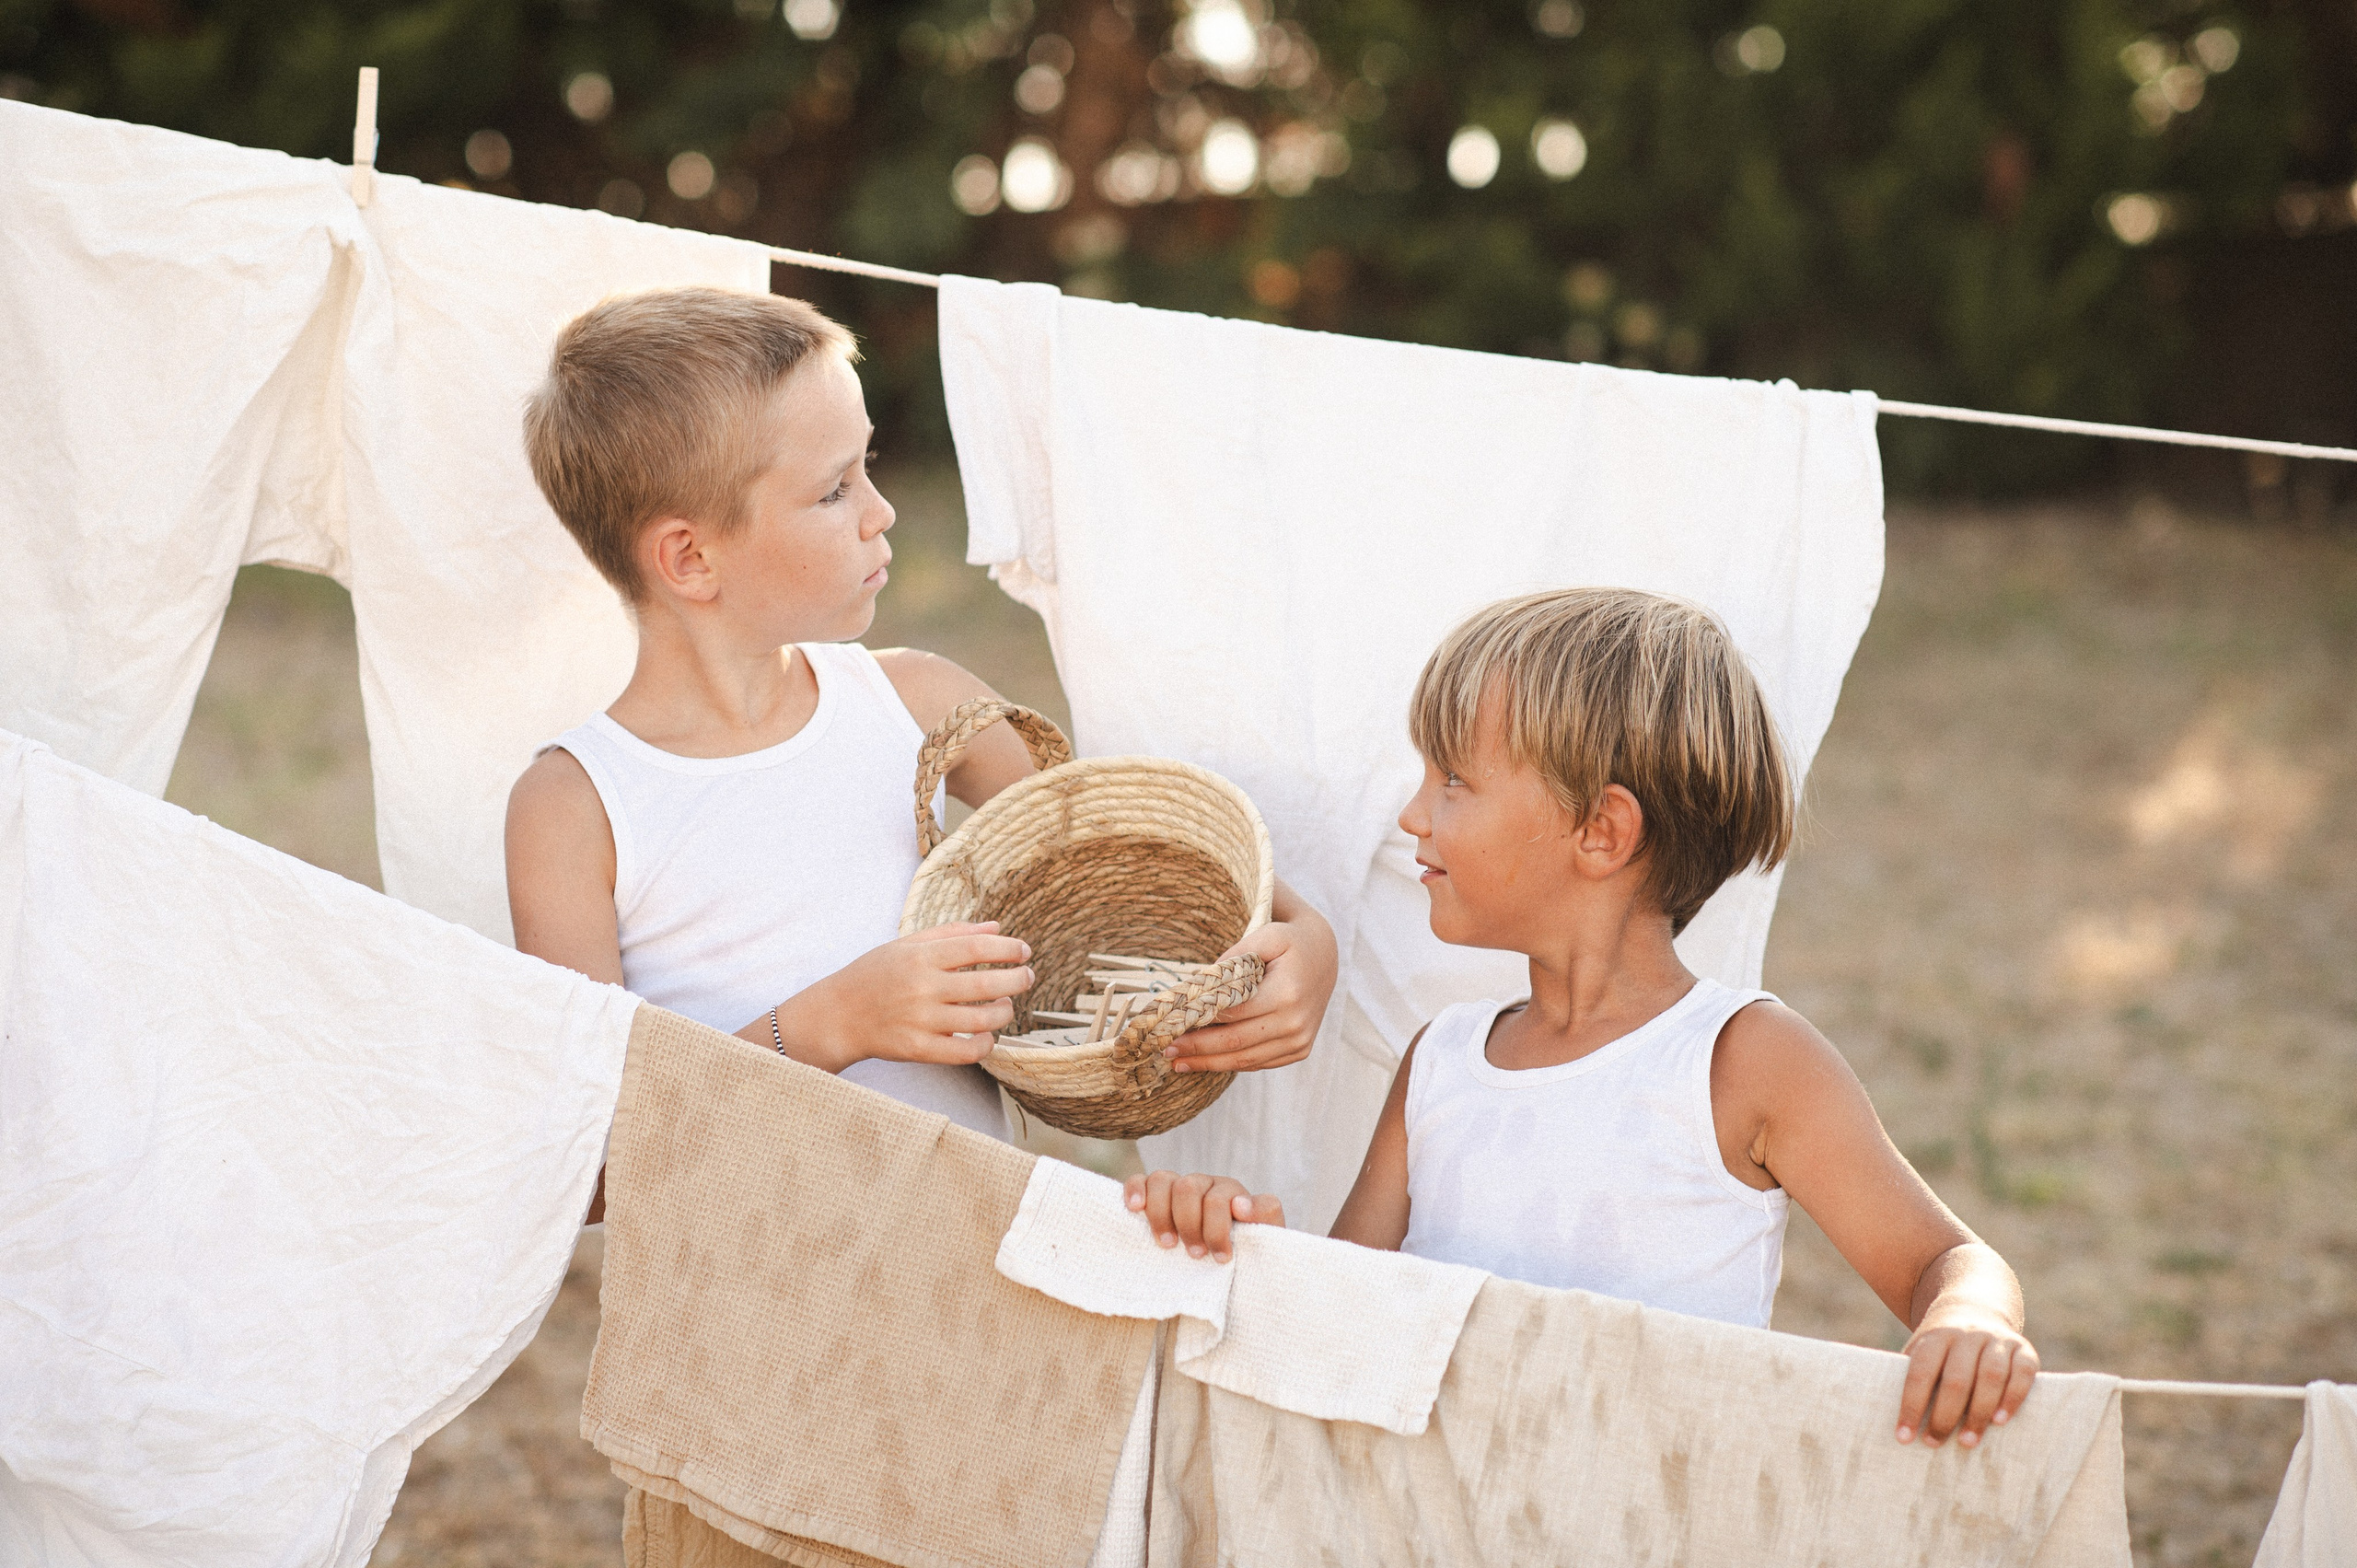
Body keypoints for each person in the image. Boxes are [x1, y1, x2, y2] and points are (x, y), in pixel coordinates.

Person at [1127, 587, 2038, 1454]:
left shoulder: (1747, 1061)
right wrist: (1230, 1235)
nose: (1412, 813)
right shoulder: (1439, 1061)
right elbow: (1338, 1323)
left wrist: (1971, 1317)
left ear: (1600, 831)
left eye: (1452, 779)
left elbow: (1944, 1259)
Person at [504, 287, 1336, 1170]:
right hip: (752, 1296)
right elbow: (589, 1172)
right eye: (834, 490)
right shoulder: (573, 811)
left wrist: (1305, 939)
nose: (881, 511)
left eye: (868, 464)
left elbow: (1140, 855)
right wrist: (835, 1021)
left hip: (970, 1276)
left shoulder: (920, 706)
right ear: (690, 558)